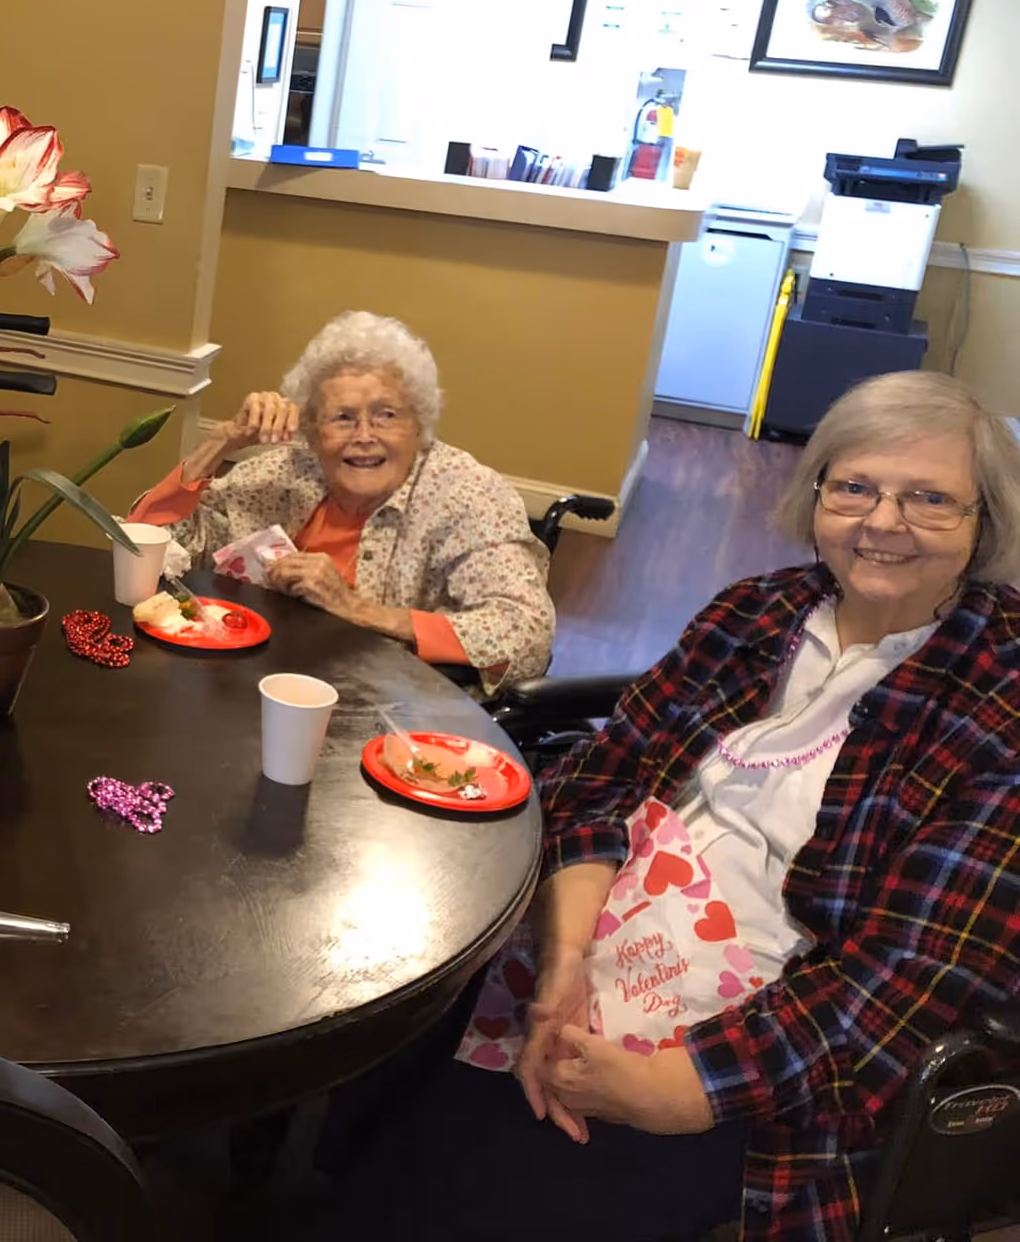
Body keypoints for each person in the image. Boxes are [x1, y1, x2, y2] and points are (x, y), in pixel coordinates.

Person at [323, 371, 1020, 1242]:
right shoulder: (757, 613)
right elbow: (600, 778)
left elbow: (907, 981)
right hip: (588, 950)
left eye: (930, 500)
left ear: (984, 523)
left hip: (779, 1055)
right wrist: (564, 960)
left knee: (492, 1181)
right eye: (855, 487)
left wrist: (685, 1090)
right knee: (372, 1079)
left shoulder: (999, 700)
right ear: (816, 495)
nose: (882, 522)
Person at [129, 311, 553, 688]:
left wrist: (354, 608)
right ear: (312, 432)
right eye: (343, 418)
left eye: (387, 414)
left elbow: (525, 635)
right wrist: (218, 446)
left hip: (394, 714)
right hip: (254, 685)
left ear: (419, 425)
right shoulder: (284, 473)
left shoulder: (468, 496)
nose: (365, 436)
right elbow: (146, 548)